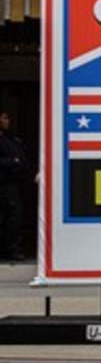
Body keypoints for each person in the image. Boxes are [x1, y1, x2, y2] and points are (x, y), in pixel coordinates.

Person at [0, 110, 31, 261]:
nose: (7, 121)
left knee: (16, 216)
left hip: (17, 184)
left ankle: (13, 248)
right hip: (4, 183)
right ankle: (9, 249)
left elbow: (24, 158)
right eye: (4, 118)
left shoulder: (12, 139)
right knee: (10, 216)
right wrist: (13, 162)